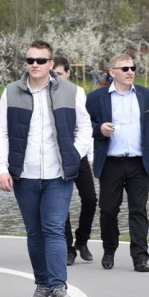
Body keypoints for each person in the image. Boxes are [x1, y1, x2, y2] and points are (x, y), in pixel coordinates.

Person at [0, 40, 91, 297]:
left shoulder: (73, 92)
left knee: (54, 229)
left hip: (58, 176)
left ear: (51, 64)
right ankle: (42, 285)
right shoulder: (11, 92)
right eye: (30, 60)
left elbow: (85, 129)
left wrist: (74, 154)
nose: (34, 65)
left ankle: (59, 287)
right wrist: (2, 168)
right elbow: (0, 133)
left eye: (40, 60)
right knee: (35, 232)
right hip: (24, 175)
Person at [86, 53, 149, 273]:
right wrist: (100, 130)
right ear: (112, 72)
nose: (130, 71)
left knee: (138, 210)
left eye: (132, 68)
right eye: (124, 69)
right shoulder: (96, 98)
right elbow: (85, 128)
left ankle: (140, 257)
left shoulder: (146, 95)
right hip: (111, 163)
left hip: (139, 163)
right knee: (108, 210)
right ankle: (109, 249)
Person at [53, 56, 97, 265]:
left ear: (68, 73)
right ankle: (68, 248)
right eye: (53, 74)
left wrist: (88, 155)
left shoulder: (76, 93)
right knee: (62, 203)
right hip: (56, 157)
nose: (56, 78)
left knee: (90, 199)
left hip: (77, 155)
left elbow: (84, 126)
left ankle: (82, 240)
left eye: (59, 73)